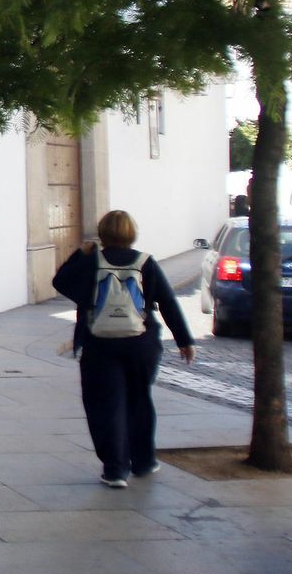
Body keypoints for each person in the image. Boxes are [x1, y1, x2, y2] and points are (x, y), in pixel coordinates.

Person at [53, 209, 196, 488]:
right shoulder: (145, 262)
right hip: (141, 344)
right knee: (139, 400)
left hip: (100, 344)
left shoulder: (93, 262)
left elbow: (61, 282)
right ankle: (143, 461)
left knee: (105, 405)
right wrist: (184, 340)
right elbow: (167, 302)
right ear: (132, 233)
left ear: (103, 233)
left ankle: (115, 469)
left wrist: (81, 254)